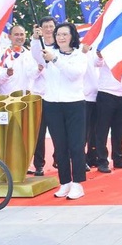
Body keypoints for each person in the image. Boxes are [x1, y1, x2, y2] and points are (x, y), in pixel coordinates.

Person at [33, 22, 88, 200]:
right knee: (60, 145)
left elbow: (74, 74)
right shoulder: (50, 53)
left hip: (74, 104)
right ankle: (65, 182)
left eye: (65, 34)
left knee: (76, 145)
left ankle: (78, 183)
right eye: (58, 34)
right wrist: (35, 39)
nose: (61, 37)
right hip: (52, 105)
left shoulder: (79, 55)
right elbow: (36, 55)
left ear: (72, 36)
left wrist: (55, 60)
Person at [92, 52, 122, 172]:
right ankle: (102, 161)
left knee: (119, 131)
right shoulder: (109, 46)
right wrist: (100, 56)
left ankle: (118, 159)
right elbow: (97, 63)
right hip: (107, 93)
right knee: (102, 130)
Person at [31, 17, 58, 176]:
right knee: (39, 134)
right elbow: (36, 54)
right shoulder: (37, 48)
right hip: (41, 97)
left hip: (56, 96)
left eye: (51, 26)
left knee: (58, 132)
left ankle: (58, 158)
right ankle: (39, 164)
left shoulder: (59, 47)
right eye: (45, 27)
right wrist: (35, 38)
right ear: (40, 29)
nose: (49, 29)